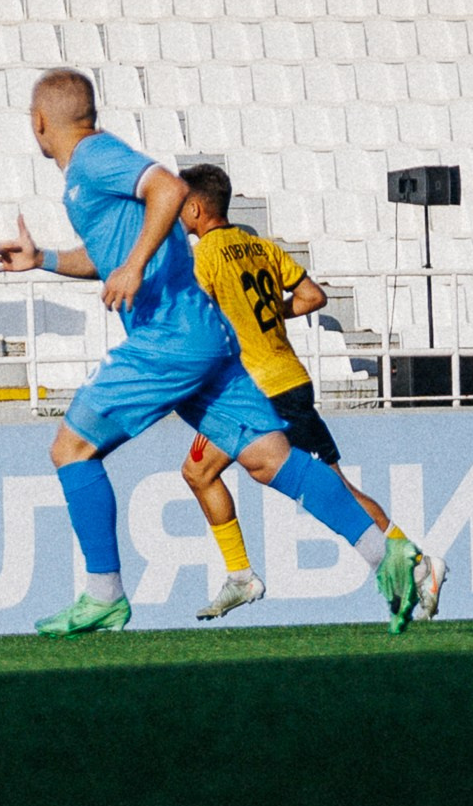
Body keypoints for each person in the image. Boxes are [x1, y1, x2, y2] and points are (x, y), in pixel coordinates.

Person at [0, 69, 426, 638]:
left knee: (71, 449)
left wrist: (136, 266)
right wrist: (43, 258)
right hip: (208, 338)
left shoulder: (93, 157)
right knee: (272, 460)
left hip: (168, 341)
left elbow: (169, 188)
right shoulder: (89, 177)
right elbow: (108, 255)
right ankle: (388, 553)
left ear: (39, 121)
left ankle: (104, 594)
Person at [173, 162, 443, 625]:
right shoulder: (261, 247)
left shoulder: (206, 258)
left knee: (334, 490)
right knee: (198, 472)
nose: (177, 216)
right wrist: (267, 317)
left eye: (180, 207)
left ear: (196, 208)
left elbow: (197, 325)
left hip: (262, 389)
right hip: (277, 379)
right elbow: (313, 296)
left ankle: (417, 567)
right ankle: (241, 576)